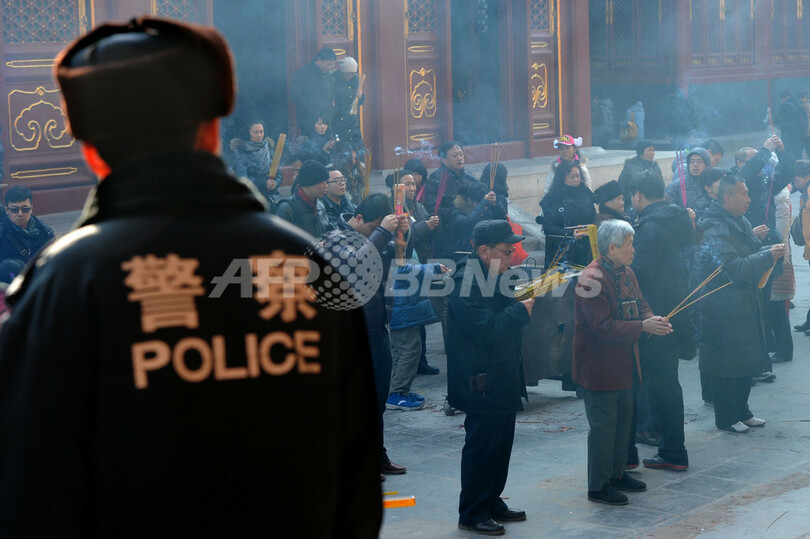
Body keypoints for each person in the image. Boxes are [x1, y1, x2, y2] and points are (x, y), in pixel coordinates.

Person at [0, 17, 382, 537]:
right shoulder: (304, 262)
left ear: (90, 148)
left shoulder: (64, 283)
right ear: (210, 129)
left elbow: (30, 492)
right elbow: (357, 476)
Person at [573, 219, 672, 506]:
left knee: (623, 424)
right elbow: (601, 327)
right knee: (604, 427)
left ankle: (617, 473)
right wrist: (643, 327)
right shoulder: (590, 278)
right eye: (628, 244)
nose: (633, 249)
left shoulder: (626, 271)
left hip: (625, 362)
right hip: (599, 366)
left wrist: (651, 319)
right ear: (612, 247)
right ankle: (598, 484)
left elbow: (639, 304)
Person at [447, 219, 534, 535]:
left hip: (501, 373)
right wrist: (520, 312)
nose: (513, 256)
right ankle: (472, 511)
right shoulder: (466, 281)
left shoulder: (492, 273)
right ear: (483, 250)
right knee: (482, 446)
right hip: (480, 378)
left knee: (501, 444)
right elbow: (485, 329)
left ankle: (491, 499)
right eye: (507, 250)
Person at [694, 175, 785, 433]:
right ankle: (726, 416)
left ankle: (743, 410)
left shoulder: (741, 222)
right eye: (744, 194)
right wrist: (767, 256)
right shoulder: (714, 228)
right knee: (727, 365)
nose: (749, 198)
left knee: (747, 360)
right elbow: (733, 268)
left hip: (745, 304)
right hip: (722, 308)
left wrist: (772, 253)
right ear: (727, 197)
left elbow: (755, 252)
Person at [328, 193, 410, 479]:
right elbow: (354, 265)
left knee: (377, 398)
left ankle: (377, 453)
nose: (377, 231)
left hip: (377, 327)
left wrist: (400, 237)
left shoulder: (375, 238)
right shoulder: (336, 238)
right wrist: (383, 232)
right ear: (359, 218)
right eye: (374, 225)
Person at [628, 172, 696, 472]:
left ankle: (673, 451)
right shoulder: (680, 218)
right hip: (680, 309)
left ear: (638, 195)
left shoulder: (650, 226)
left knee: (662, 385)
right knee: (667, 382)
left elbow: (639, 271)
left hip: (656, 316)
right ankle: (671, 447)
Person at [538, 160, 597, 270]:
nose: (576, 180)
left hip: (587, 248)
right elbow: (548, 228)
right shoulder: (552, 199)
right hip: (563, 252)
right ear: (562, 178)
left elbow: (593, 217)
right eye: (572, 177)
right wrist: (570, 234)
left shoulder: (586, 193)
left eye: (578, 176)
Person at [424, 141, 478, 260]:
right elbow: (434, 210)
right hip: (447, 240)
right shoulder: (436, 180)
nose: (460, 158)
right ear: (443, 159)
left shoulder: (470, 179)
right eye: (455, 155)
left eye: (461, 154)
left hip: (470, 237)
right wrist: (461, 210)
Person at [229, 119, 282, 213]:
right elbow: (243, 178)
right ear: (248, 133)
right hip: (251, 198)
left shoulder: (269, 148)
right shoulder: (241, 151)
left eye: (261, 132)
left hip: (272, 198)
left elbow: (278, 172)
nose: (259, 135)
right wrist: (264, 183)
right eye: (255, 132)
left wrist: (275, 184)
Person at [275, 159, 332, 237]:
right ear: (310, 181)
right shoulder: (287, 208)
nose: (326, 186)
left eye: (326, 182)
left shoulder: (320, 206)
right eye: (322, 182)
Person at [0, 185, 55, 266]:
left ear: (31, 208)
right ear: (7, 210)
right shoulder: (2, 235)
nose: (20, 214)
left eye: (25, 209)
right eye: (14, 210)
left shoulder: (45, 233)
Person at [290, 46, 336, 135]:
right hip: (309, 121)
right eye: (328, 64)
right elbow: (296, 95)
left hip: (326, 123)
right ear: (319, 60)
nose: (330, 67)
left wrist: (330, 114)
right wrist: (312, 114)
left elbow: (333, 97)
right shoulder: (303, 73)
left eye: (332, 65)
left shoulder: (328, 77)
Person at [616, 139, 663, 217]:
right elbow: (621, 187)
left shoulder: (655, 167)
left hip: (653, 203)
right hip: (634, 204)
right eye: (649, 151)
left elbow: (661, 187)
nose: (652, 154)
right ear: (641, 152)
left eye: (653, 151)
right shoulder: (630, 166)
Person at [331, 56, 365, 153]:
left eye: (352, 73)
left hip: (352, 121)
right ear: (342, 72)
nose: (351, 76)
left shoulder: (356, 80)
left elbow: (361, 102)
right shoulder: (334, 80)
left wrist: (360, 96)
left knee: (358, 150)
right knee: (342, 150)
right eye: (348, 74)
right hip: (339, 120)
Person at [774, 91, 807, 159]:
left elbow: (777, 120)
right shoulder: (798, 104)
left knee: (789, 152)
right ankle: (799, 166)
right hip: (799, 133)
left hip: (788, 134)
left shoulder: (784, 105)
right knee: (798, 152)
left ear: (783, 98)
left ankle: (792, 167)